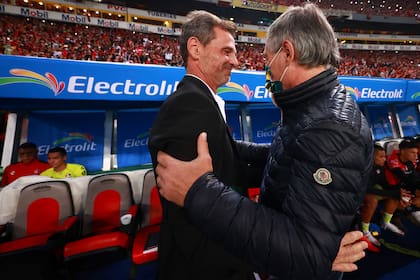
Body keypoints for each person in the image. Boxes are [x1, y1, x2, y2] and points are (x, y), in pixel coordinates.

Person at [153, 4, 372, 280]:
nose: (264, 67)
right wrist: (229, 148)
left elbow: (307, 252)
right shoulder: (314, 108)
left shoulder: (329, 126)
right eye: (227, 51)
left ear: (288, 53)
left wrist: (198, 191)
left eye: (268, 59)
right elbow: (290, 159)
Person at [148, 10, 268, 279]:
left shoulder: (200, 100)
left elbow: (227, 162)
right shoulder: (189, 104)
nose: (235, 61)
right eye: (226, 51)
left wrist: (279, 157)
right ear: (195, 48)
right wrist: (235, 268)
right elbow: (190, 212)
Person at [359, 144, 410, 252]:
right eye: (381, 157)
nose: (384, 159)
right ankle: (365, 231)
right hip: (356, 192)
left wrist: (398, 191)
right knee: (372, 201)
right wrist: (390, 192)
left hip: (369, 190)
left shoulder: (380, 168)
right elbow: (366, 189)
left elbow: (384, 183)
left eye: (385, 156)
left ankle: (385, 222)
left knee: (395, 193)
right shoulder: (363, 169)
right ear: (371, 156)